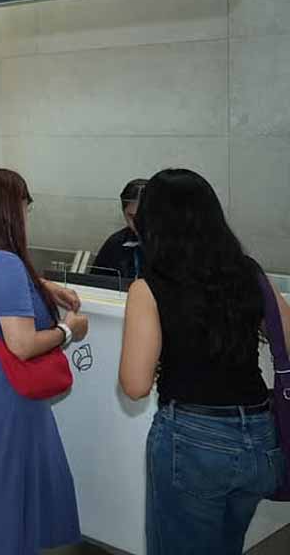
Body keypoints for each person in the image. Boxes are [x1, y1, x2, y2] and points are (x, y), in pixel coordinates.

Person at [119, 169, 290, 554]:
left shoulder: (149, 287)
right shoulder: (248, 272)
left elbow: (135, 384)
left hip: (193, 439)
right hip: (260, 440)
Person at [0, 169, 88, 555]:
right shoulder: (5, 263)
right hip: (8, 387)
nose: (28, 213)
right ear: (14, 208)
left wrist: (42, 285)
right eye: (26, 204)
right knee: (12, 481)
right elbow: (23, 344)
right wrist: (70, 330)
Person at [91, 178, 148, 280]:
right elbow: (96, 281)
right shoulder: (115, 243)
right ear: (123, 212)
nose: (138, 223)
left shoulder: (172, 244)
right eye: (131, 216)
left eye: (144, 216)